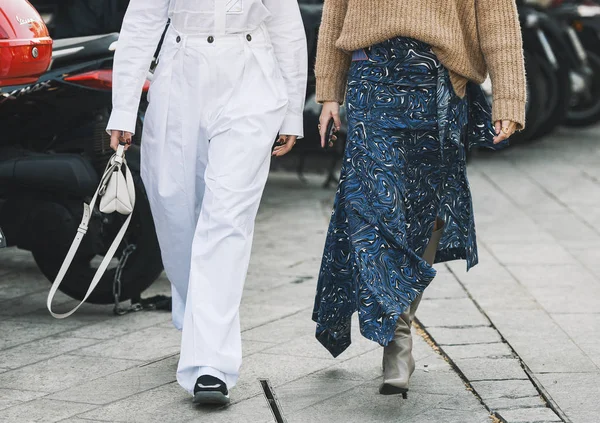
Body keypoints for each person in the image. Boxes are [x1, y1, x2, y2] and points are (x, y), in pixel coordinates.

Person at [312, 0, 526, 398]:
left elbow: (497, 19)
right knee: (373, 205)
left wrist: (509, 99)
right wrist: (329, 93)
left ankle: (402, 321)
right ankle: (397, 338)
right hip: (370, 81)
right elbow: (335, 13)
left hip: (438, 86)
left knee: (427, 213)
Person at [106, 0, 307, 405]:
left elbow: (287, 24)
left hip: (251, 80)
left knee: (227, 219)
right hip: (180, 74)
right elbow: (142, 22)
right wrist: (124, 109)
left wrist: (291, 113)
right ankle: (194, 303)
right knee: (171, 205)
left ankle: (210, 365)